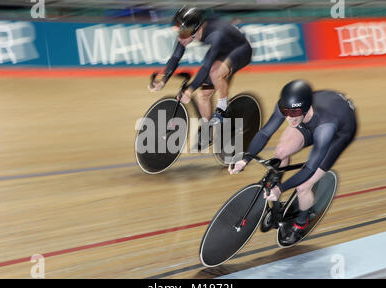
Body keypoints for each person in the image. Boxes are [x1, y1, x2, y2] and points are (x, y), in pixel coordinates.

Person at [229, 80, 357, 246]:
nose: (289, 117)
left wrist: (279, 188)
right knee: (281, 152)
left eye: (294, 112)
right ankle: (277, 207)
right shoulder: (291, 109)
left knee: (303, 187)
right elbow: (265, 133)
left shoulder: (326, 127)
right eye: (285, 111)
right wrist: (245, 159)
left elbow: (310, 168)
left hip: (338, 133)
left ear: (306, 107)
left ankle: (301, 223)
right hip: (313, 118)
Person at [148, 6, 253, 146]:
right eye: (179, 32)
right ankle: (207, 131)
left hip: (241, 50)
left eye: (184, 33)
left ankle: (222, 108)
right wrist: (163, 79)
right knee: (202, 95)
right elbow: (176, 56)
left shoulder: (215, 35)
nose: (180, 37)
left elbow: (206, 66)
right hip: (223, 51)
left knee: (215, 73)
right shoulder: (187, 33)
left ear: (196, 29)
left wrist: (190, 89)